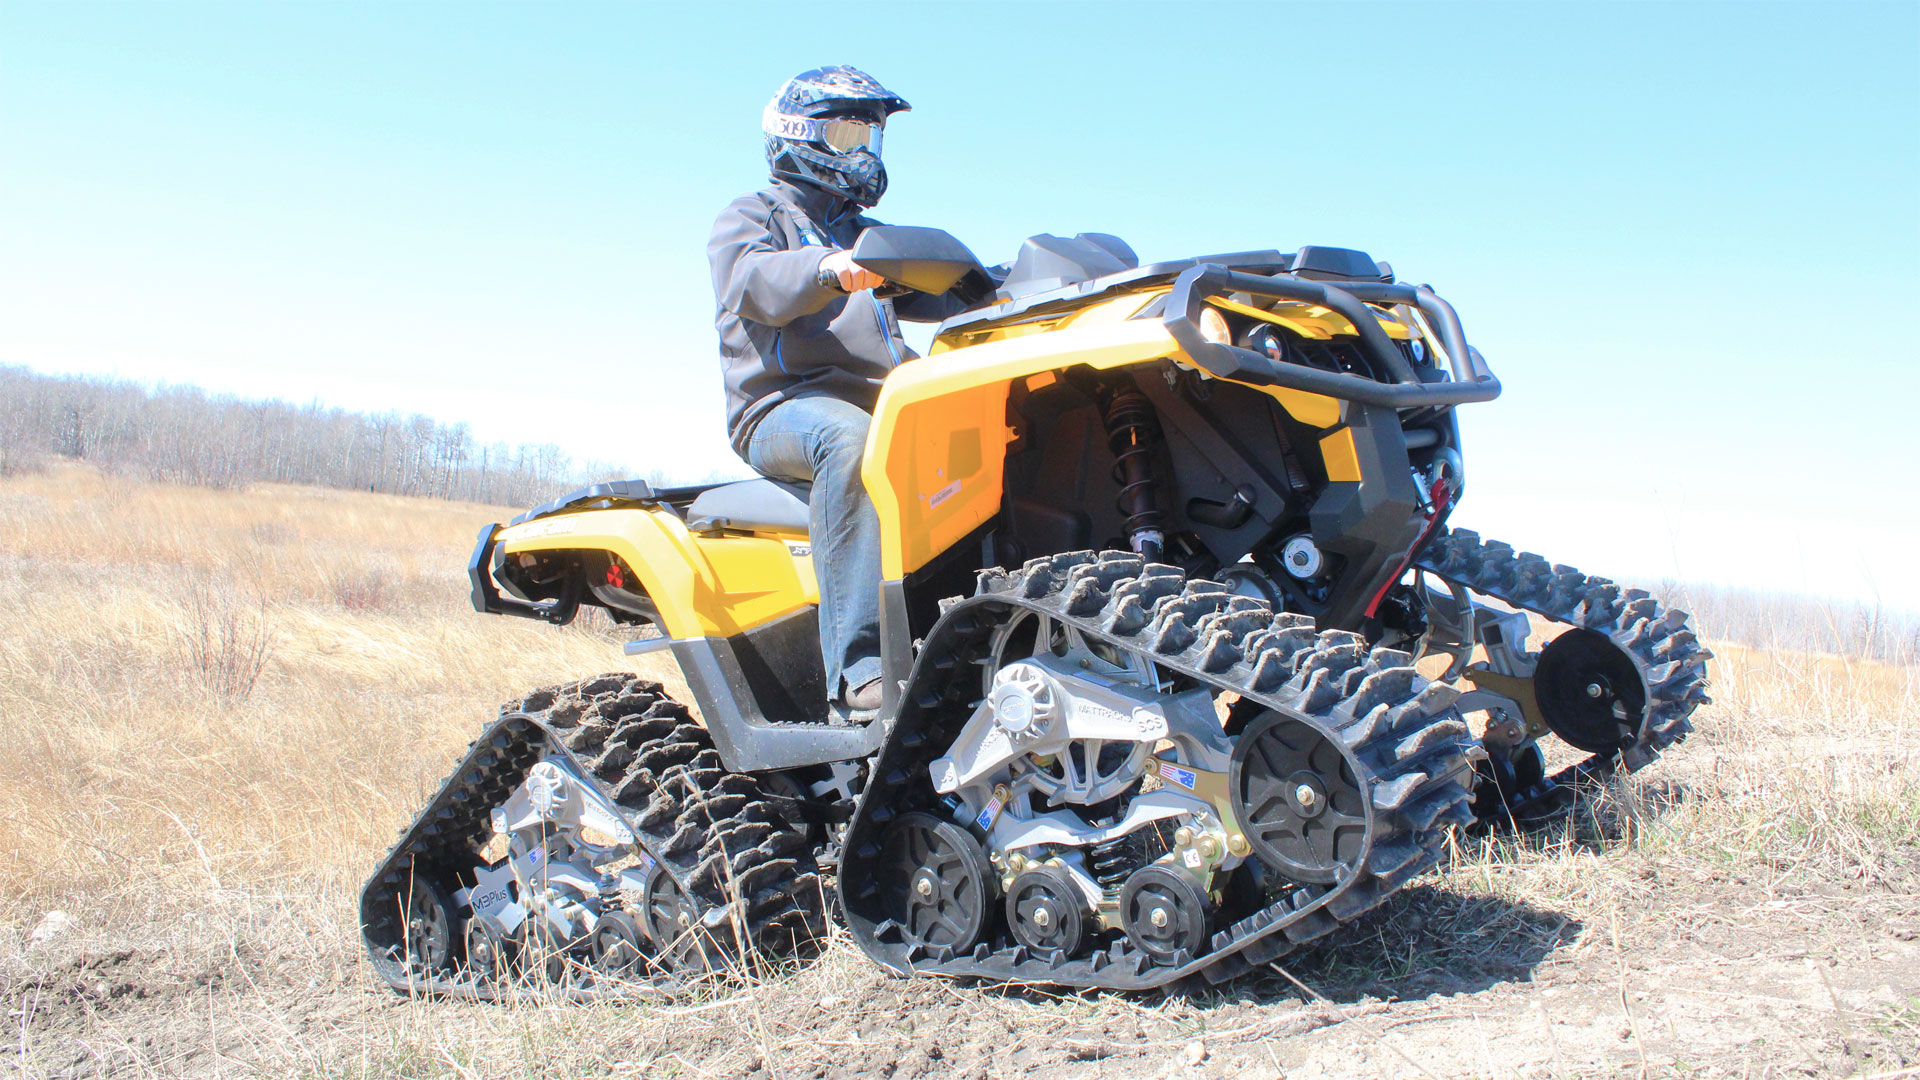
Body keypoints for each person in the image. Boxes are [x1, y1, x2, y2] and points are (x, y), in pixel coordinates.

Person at [708, 66, 969, 716]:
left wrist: (996, 283)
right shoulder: (754, 215)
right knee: (849, 443)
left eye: (871, 138)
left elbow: (940, 290)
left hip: (884, 408)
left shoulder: (863, 234)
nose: (864, 154)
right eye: (850, 133)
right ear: (800, 134)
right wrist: (831, 269)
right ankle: (858, 677)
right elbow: (752, 282)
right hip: (783, 411)